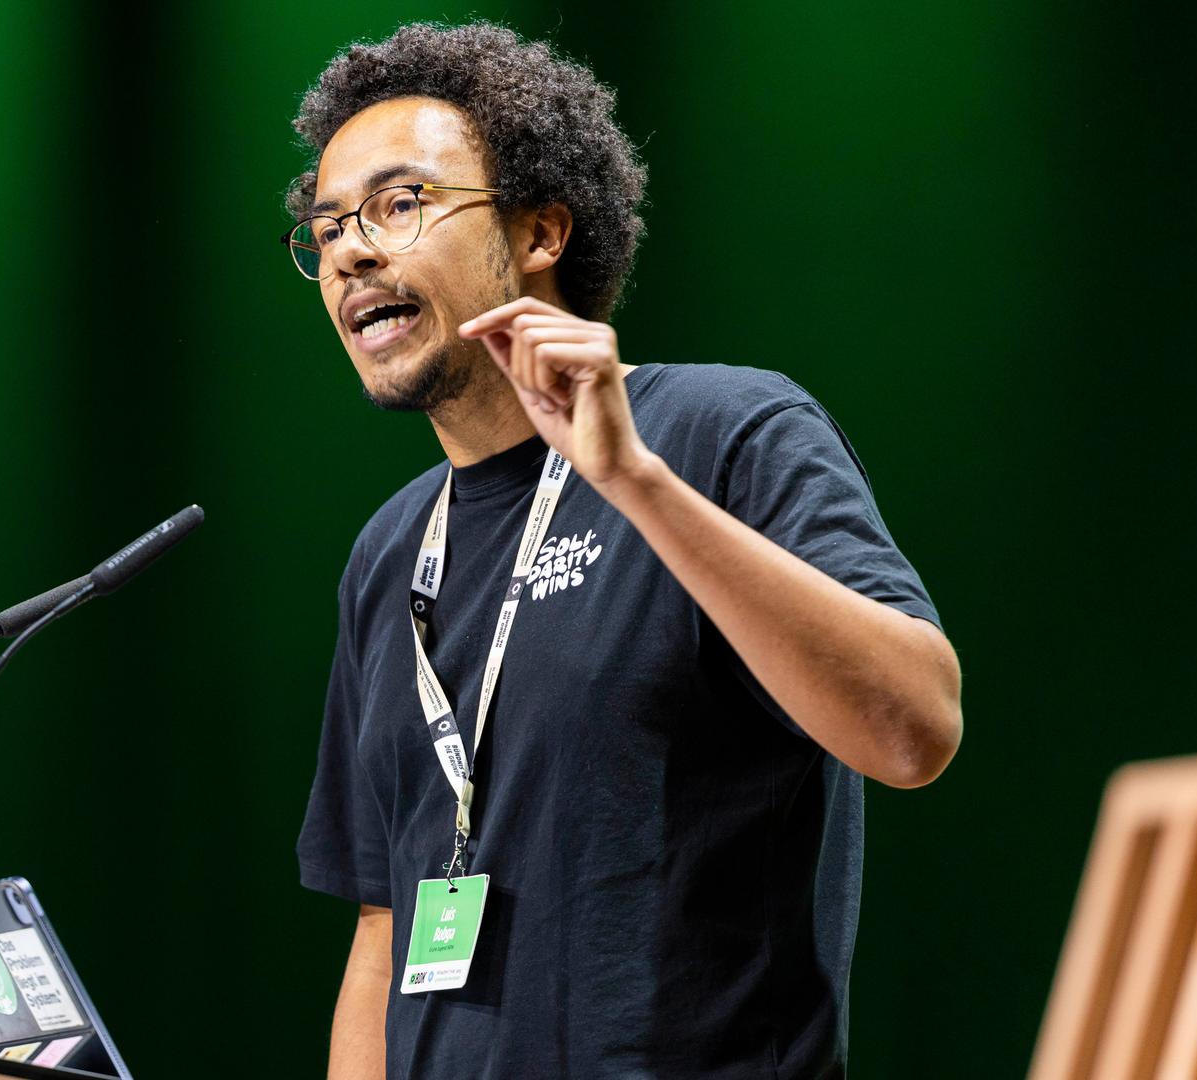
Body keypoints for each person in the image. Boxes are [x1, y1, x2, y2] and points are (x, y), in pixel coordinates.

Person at [285, 22, 963, 1080]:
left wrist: (633, 481)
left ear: (543, 230)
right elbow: (384, 924)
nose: (348, 251)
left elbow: (916, 729)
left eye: (399, 204)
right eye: (325, 228)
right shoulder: (390, 553)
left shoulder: (722, 431)